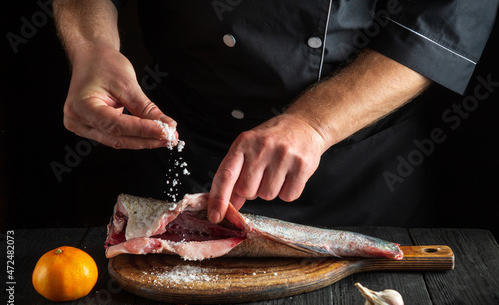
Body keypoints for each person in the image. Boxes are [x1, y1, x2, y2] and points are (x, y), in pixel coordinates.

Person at [52, 0, 498, 228]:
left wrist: (315, 123)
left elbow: (440, 23)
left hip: (360, 176)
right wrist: (92, 48)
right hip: (188, 148)